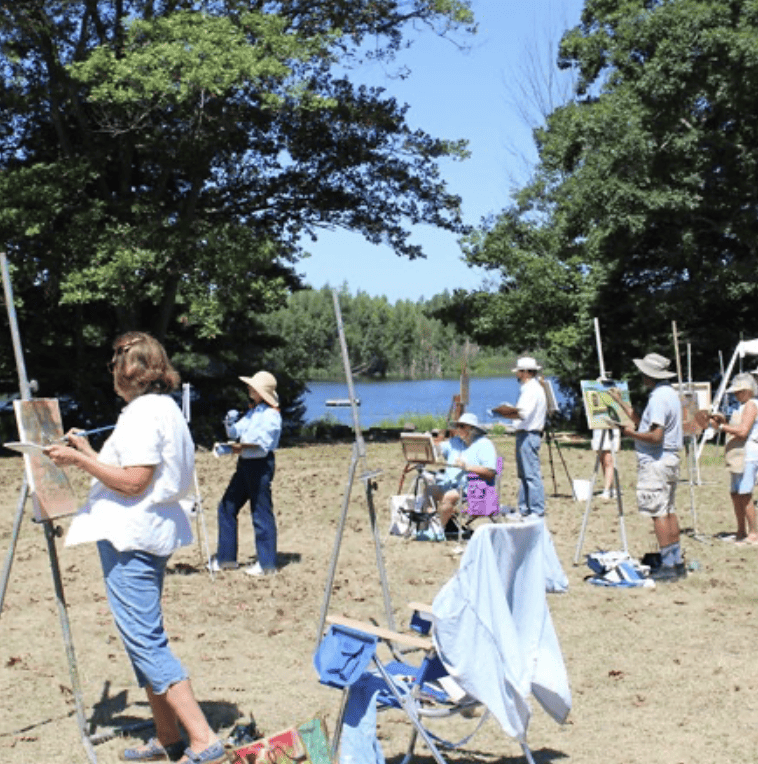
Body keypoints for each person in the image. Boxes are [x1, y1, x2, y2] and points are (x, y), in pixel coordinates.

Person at [44, 332, 225, 764]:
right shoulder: (161, 409)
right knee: (139, 640)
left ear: (128, 372)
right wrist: (89, 451)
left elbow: (133, 481)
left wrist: (78, 461)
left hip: (134, 537)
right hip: (144, 533)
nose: (111, 372)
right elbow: (132, 471)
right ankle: (167, 738)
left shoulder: (144, 414)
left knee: (146, 640)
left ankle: (202, 739)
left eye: (115, 364)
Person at [609, 352, 685, 582]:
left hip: (656, 462)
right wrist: (621, 403)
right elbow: (646, 422)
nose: (641, 376)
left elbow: (655, 436)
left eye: (644, 372)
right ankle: (676, 561)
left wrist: (628, 433)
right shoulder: (669, 394)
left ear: (650, 375)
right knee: (668, 510)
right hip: (669, 460)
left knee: (658, 513)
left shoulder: (658, 399)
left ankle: (669, 565)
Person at [210, 371, 281, 576]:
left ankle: (267, 564)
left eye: (253, 387)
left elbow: (262, 446)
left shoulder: (272, 415)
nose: (249, 389)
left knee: (260, 512)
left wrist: (236, 448)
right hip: (245, 465)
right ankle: (226, 559)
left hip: (260, 467)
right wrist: (229, 424)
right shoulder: (252, 412)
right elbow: (235, 433)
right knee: (226, 506)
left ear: (262, 392)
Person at [493, 357, 548, 517]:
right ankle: (524, 509)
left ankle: (536, 510)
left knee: (531, 474)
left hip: (529, 434)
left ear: (525, 372)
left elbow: (523, 413)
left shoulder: (531, 389)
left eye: (518, 371)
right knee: (524, 474)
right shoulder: (531, 388)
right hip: (526, 434)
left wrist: (504, 412)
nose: (516, 374)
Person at [428, 412, 498, 534]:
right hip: (450, 484)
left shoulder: (484, 445)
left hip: (473, 488)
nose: (458, 429)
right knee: (428, 492)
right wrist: (430, 441)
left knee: (449, 496)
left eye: (462, 426)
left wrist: (468, 467)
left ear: (472, 429)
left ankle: (438, 531)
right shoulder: (454, 442)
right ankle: (436, 525)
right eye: (458, 426)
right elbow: (437, 448)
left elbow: (490, 472)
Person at [709, 373, 758, 545]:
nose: (736, 395)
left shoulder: (752, 405)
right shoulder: (742, 405)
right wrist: (722, 420)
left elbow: (743, 431)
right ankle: (740, 531)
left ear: (748, 391)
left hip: (748, 454)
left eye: (739, 392)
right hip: (738, 455)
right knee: (735, 494)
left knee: (744, 494)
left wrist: (721, 427)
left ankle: (753, 533)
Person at [591, 427, 621, 500]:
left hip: (609, 430)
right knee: (602, 460)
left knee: (608, 460)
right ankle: (611, 488)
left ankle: (607, 490)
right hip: (598, 428)